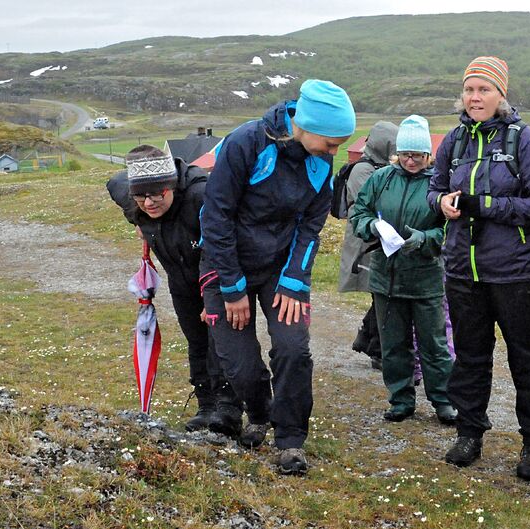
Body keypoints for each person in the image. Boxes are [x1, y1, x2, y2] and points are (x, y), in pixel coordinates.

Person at [200, 79, 355, 476]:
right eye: (331, 143)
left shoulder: (320, 159)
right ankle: (258, 411)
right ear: (306, 125)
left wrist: (295, 279)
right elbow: (216, 217)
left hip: (280, 269)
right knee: (241, 364)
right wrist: (232, 287)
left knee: (293, 350)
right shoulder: (246, 143)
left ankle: (290, 441)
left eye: (339, 145)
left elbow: (311, 226)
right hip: (226, 265)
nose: (334, 152)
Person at [427, 55, 530, 481]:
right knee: (469, 357)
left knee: (527, 358)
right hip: (463, 271)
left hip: (517, 272)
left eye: (484, 89)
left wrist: (483, 206)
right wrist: (441, 203)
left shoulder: (525, 140)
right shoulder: (454, 141)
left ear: (501, 94)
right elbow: (433, 189)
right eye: (469, 89)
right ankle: (470, 432)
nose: (474, 97)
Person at [106, 145, 241, 435]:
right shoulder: (135, 200)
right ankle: (205, 405)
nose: (150, 202)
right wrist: (136, 218)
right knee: (196, 339)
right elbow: (115, 182)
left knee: (220, 340)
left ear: (172, 187)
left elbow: (220, 246)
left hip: (214, 276)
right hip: (180, 282)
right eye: (141, 196)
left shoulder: (200, 196)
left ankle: (228, 407)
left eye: (158, 194)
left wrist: (214, 295)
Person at [351, 114, 457, 425]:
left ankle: (444, 401)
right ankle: (400, 399)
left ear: (428, 155)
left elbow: (451, 229)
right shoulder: (380, 179)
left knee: (434, 345)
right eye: (406, 154)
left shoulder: (439, 184)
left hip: (426, 279)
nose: (411, 161)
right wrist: (371, 226)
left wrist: (423, 239)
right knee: (393, 344)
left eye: (418, 155)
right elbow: (360, 211)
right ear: (398, 153)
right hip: (386, 277)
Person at [338, 121, 399, 371]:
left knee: (384, 294)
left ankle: (368, 339)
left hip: (381, 241)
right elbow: (374, 205)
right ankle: (378, 349)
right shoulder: (362, 170)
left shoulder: (380, 168)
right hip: (367, 243)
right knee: (383, 294)